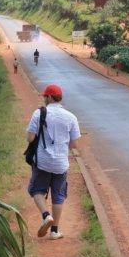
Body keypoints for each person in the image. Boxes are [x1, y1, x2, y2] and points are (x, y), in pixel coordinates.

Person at [27, 84, 81, 240]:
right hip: (61, 164)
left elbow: (30, 138)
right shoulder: (71, 117)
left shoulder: (39, 113)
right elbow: (74, 144)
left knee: (36, 190)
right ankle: (55, 231)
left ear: (49, 98)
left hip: (42, 162)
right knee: (58, 195)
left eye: (45, 96)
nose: (44, 99)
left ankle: (45, 215)